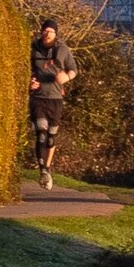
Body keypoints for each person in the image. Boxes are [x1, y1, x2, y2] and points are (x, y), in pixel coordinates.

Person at [28, 16, 76, 186]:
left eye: (51, 31)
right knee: (41, 132)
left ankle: (47, 168)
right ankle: (42, 170)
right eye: (45, 30)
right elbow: (23, 69)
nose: (47, 33)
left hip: (55, 99)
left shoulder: (63, 50)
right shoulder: (32, 48)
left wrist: (67, 77)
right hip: (38, 98)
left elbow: (73, 70)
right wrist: (29, 81)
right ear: (41, 31)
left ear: (56, 34)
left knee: (51, 137)